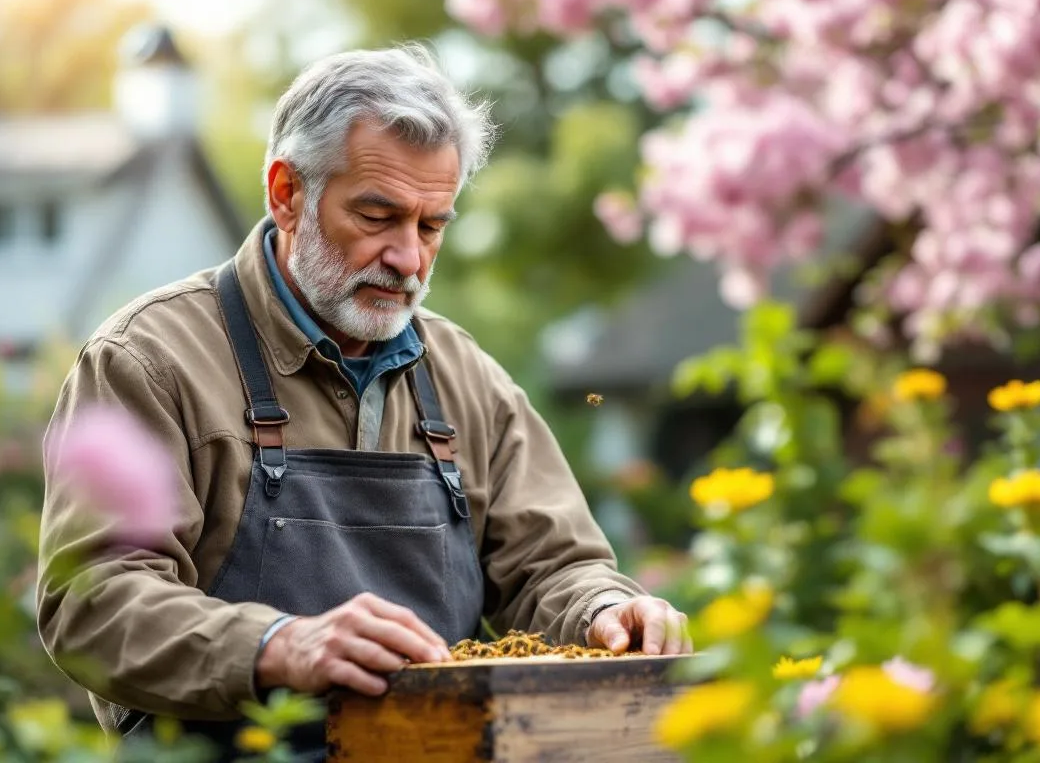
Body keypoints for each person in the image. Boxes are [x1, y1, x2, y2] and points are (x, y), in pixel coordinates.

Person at [36, 44, 691, 762]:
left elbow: (554, 566)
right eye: (378, 216)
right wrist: (275, 645)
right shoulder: (151, 360)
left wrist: (604, 609)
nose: (408, 258)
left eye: (432, 225)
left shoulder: (466, 376)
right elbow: (92, 601)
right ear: (287, 193)